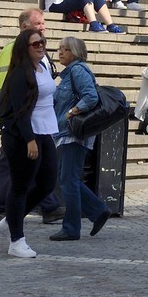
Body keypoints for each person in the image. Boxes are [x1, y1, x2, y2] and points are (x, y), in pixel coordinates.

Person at [0, 8, 63, 226]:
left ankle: (45, 206)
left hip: (40, 123)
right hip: (14, 120)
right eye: (38, 24)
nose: (43, 28)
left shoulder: (41, 54)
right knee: (13, 168)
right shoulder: (12, 51)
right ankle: (0, 210)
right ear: (24, 27)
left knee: (36, 174)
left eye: (43, 24)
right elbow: (10, 90)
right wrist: (21, 128)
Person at [0, 27, 60, 257]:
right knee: (20, 185)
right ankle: (16, 241)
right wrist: (29, 140)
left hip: (45, 131)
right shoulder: (19, 73)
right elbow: (21, 112)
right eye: (35, 44)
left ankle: (12, 218)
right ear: (25, 47)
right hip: (22, 135)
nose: (41, 46)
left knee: (48, 182)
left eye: (42, 42)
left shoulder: (43, 66)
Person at [48, 37, 111, 241]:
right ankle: (98, 209)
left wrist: (72, 112)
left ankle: (72, 227)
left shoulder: (78, 71)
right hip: (67, 134)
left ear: (76, 52)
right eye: (59, 48)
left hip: (74, 134)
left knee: (68, 180)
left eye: (66, 49)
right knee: (67, 179)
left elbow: (91, 97)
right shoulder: (69, 74)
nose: (61, 52)